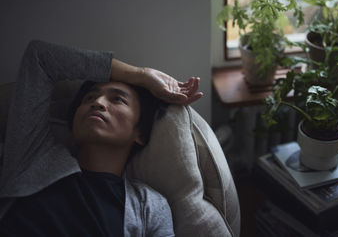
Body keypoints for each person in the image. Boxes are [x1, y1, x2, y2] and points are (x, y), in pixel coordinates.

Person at [0, 40, 203, 236]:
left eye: (117, 99)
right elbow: (40, 57)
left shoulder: (149, 206)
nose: (97, 102)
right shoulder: (33, 155)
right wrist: (141, 75)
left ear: (139, 132)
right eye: (89, 97)